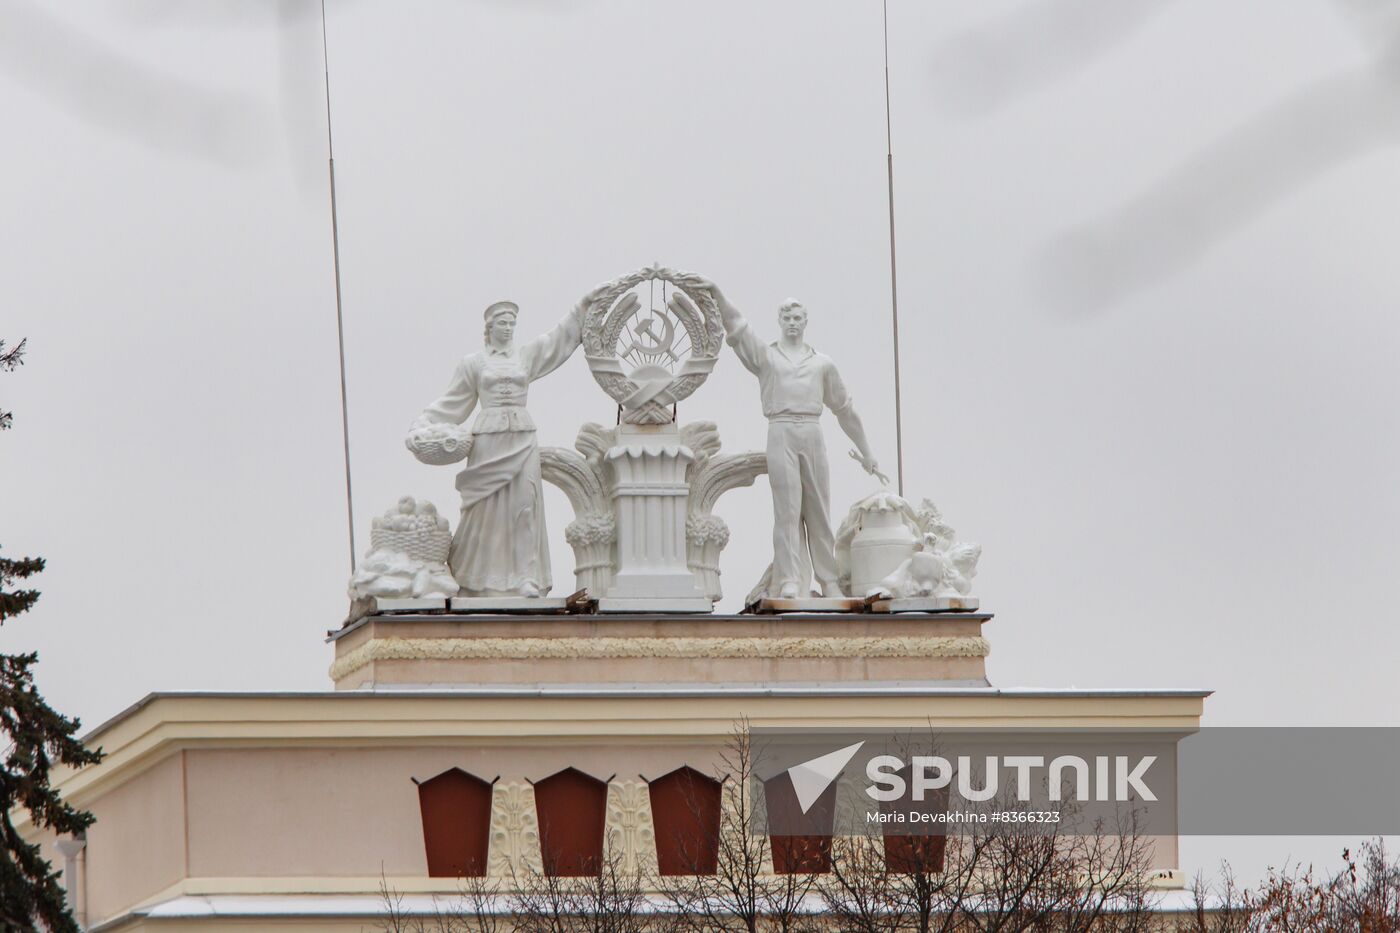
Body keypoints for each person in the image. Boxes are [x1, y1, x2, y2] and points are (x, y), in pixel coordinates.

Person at [411, 290, 635, 597]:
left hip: (522, 437)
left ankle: (524, 576)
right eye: (502, 322)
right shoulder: (473, 363)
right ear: (489, 327)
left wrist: (584, 307)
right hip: (488, 441)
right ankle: (477, 580)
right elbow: (452, 403)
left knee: (524, 506)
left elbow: (557, 342)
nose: (507, 328)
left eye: (512, 323)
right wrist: (424, 426)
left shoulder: (524, 357)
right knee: (485, 511)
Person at [671, 286, 886, 598]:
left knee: (818, 512)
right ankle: (788, 578)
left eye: (798, 317)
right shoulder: (768, 358)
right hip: (780, 429)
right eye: (788, 317)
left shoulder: (821, 364)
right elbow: (739, 330)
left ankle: (829, 581)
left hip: (812, 431)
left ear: (805, 321)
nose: (793, 322)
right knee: (786, 512)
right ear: (780, 320)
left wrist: (868, 453)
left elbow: (845, 409)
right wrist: (716, 295)